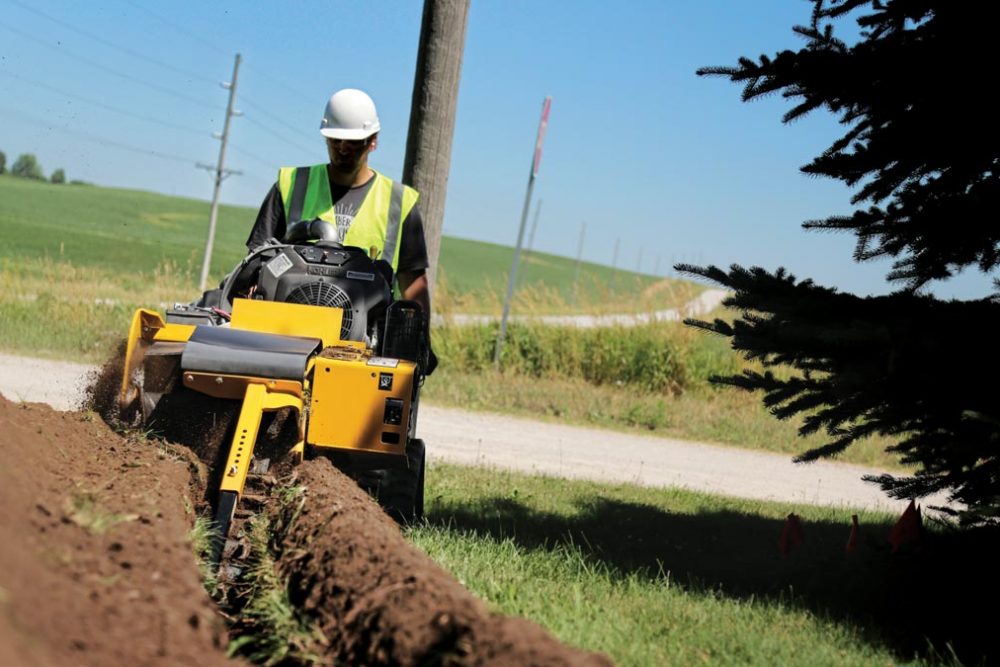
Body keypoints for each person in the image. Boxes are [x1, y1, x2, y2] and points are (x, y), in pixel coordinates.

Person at [246, 88, 431, 319]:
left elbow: (413, 283)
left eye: (354, 142)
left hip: (367, 334)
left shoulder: (398, 201)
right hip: (287, 324)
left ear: (373, 141)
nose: (343, 149)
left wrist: (419, 339)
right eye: (336, 140)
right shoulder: (292, 184)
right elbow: (255, 260)